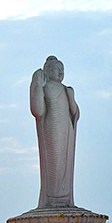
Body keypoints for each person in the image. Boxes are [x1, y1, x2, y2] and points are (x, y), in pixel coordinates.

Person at [30, 55, 80, 209]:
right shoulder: (44, 87)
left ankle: (65, 199)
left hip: (66, 129)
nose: (60, 73)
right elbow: (38, 111)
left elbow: (75, 114)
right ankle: (51, 198)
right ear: (48, 71)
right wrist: (37, 87)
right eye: (56, 69)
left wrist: (71, 97)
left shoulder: (67, 90)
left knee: (66, 163)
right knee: (54, 162)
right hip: (52, 128)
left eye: (62, 70)